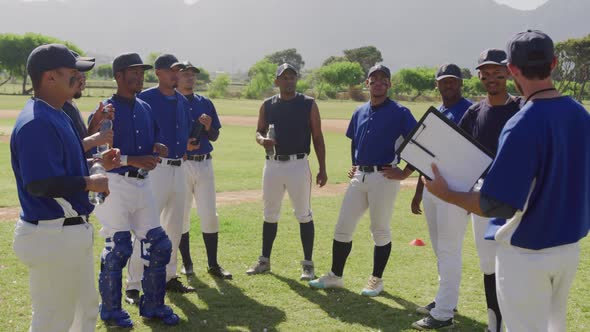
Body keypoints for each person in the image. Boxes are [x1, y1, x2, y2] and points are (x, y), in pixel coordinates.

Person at [424, 30, 590, 332]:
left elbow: (496, 204)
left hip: (527, 252)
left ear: (511, 69)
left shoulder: (522, 121)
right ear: (554, 63)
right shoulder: (581, 114)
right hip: (568, 250)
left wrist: (446, 194)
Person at [11, 43, 109, 332]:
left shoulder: (56, 113)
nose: (78, 78)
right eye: (72, 72)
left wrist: (97, 163)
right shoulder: (37, 121)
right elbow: (40, 183)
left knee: (85, 311)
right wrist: (89, 182)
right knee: (53, 320)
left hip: (65, 232)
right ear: (50, 77)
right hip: (52, 234)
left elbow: (62, 165)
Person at [309, 64, 416, 296]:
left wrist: (405, 172)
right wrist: (354, 164)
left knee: (379, 229)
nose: (378, 82)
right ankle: (335, 276)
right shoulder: (359, 111)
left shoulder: (401, 112)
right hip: (360, 176)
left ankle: (376, 280)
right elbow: (354, 141)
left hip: (384, 177)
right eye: (373, 78)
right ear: (367, 83)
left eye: (383, 79)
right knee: (342, 228)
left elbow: (418, 143)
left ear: (389, 84)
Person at [92, 52, 180, 327]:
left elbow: (153, 139)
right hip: (113, 183)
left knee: (159, 245)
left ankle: (153, 306)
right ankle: (110, 311)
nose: (140, 76)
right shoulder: (107, 109)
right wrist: (133, 159)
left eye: (142, 72)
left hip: (142, 184)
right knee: (118, 247)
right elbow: (99, 153)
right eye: (134, 71)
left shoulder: (144, 107)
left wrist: (157, 147)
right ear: (119, 76)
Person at [247, 63, 327, 280]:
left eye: (292, 77)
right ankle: (264, 261)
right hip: (272, 164)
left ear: (296, 80)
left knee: (303, 214)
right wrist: (262, 140)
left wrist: (323, 168)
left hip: (298, 164)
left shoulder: (308, 104)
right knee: (269, 213)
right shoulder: (267, 105)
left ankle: (308, 264)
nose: (289, 80)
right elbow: (258, 132)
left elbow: (318, 138)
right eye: (285, 77)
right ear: (277, 81)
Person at [126, 54, 197, 299]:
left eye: (178, 70)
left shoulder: (181, 100)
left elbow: (184, 131)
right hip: (156, 169)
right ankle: (134, 284)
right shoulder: (145, 98)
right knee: (146, 226)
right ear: (158, 72)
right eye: (171, 70)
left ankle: (169, 276)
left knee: (175, 227)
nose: (176, 74)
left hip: (180, 168)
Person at [410, 64, 472, 330]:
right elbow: (428, 157)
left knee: (449, 249)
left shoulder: (470, 111)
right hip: (432, 188)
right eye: (443, 81)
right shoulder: (439, 112)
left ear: (460, 83)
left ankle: (444, 314)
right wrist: (418, 190)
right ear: (437, 84)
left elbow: (472, 157)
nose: (448, 85)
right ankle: (445, 299)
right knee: (439, 248)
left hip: (456, 190)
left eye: (453, 81)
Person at [176, 61, 232, 279]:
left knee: (209, 214)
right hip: (182, 163)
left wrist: (208, 127)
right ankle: (187, 263)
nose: (189, 77)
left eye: (192, 74)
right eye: (185, 74)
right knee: (181, 215)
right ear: (176, 77)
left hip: (205, 163)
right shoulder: (173, 102)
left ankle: (213, 264)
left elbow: (215, 136)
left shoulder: (205, 102)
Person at [61, 52, 115, 155]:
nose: (83, 78)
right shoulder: (58, 109)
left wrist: (95, 123)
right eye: (76, 72)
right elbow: (64, 154)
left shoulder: (70, 105)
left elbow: (79, 143)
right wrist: (93, 141)